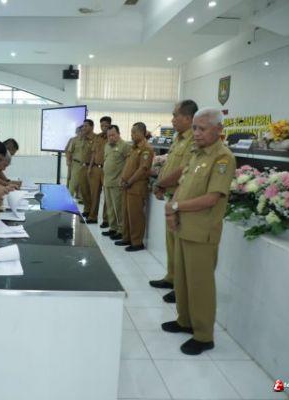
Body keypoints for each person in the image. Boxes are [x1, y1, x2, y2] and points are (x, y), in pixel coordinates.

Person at [161, 108, 235, 355]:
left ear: (218, 129)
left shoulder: (222, 158)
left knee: (200, 285)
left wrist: (175, 207)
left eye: (202, 128)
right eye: (194, 127)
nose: (197, 133)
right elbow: (183, 186)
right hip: (184, 227)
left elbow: (212, 198)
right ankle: (185, 321)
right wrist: (172, 211)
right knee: (182, 281)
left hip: (202, 232)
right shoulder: (196, 153)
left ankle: (203, 335)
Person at [149, 99, 198, 304]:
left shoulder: (193, 140)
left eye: (175, 115)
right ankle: (171, 277)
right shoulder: (178, 138)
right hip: (171, 197)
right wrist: (161, 184)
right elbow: (170, 164)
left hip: (182, 198)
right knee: (171, 244)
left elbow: (183, 170)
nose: (172, 120)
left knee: (180, 247)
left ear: (188, 118)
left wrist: (160, 183)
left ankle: (180, 288)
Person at [118, 122, 154, 251]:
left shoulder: (146, 149)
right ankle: (127, 238)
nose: (132, 135)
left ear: (142, 133)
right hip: (127, 186)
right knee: (126, 214)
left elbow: (142, 169)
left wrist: (129, 181)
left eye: (134, 132)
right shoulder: (134, 148)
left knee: (135, 216)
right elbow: (128, 166)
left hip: (136, 186)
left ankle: (137, 242)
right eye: (131, 132)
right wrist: (123, 179)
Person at [101, 125, 132, 241]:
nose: (111, 138)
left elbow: (129, 164)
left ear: (119, 134)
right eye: (109, 136)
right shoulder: (107, 146)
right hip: (107, 181)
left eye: (113, 135)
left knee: (119, 208)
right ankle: (113, 228)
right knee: (110, 207)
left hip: (117, 182)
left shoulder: (125, 146)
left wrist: (124, 178)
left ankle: (121, 230)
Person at [69, 120, 95, 218]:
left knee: (86, 189)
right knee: (72, 186)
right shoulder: (75, 140)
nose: (83, 129)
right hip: (76, 164)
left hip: (89, 166)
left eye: (85, 127)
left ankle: (88, 210)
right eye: (82, 127)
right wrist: (69, 163)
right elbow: (69, 152)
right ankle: (68, 206)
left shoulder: (94, 139)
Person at [88, 116, 111, 225]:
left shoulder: (112, 137)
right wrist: (90, 167)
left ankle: (106, 219)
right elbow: (93, 153)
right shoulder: (97, 137)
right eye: (102, 125)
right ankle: (93, 217)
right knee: (94, 194)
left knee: (107, 196)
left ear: (110, 125)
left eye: (106, 125)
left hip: (107, 170)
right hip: (96, 168)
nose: (104, 127)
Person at [65, 126, 83, 195]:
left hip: (84, 165)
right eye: (79, 131)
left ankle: (79, 196)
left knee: (81, 182)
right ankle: (69, 196)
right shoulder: (73, 140)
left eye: (81, 131)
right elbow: (67, 151)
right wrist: (68, 161)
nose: (80, 132)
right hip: (75, 163)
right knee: (72, 181)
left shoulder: (87, 140)